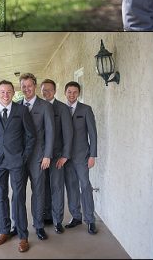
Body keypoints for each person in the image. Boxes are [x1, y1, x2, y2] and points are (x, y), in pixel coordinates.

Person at [0, 80, 35, 253]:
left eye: (8, 91)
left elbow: (30, 136)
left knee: (18, 197)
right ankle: (4, 231)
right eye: (2, 91)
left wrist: (24, 157)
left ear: (14, 93)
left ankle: (23, 236)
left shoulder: (21, 110)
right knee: (1, 196)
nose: (5, 95)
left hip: (16, 160)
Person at [18, 73, 55, 241]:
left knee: (38, 191)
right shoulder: (17, 106)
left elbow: (50, 132)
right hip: (19, 157)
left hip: (38, 157)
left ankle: (39, 225)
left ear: (35, 86)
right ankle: (18, 224)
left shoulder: (45, 106)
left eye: (29, 85)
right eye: (23, 86)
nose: (27, 89)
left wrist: (47, 155)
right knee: (18, 193)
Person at [63, 81, 99, 234]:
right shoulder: (61, 109)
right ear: (65, 93)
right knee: (71, 187)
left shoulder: (86, 109)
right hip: (65, 157)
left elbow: (93, 134)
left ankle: (90, 220)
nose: (72, 95)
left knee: (85, 186)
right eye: (69, 92)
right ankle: (76, 216)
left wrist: (92, 155)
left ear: (78, 93)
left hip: (82, 156)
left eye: (75, 92)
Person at [39, 79, 73, 234]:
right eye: (44, 90)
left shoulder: (62, 108)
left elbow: (68, 133)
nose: (47, 92)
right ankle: (47, 215)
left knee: (57, 187)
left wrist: (65, 155)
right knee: (44, 186)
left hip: (57, 156)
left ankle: (57, 220)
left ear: (55, 91)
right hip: (40, 155)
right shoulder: (39, 106)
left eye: (49, 90)